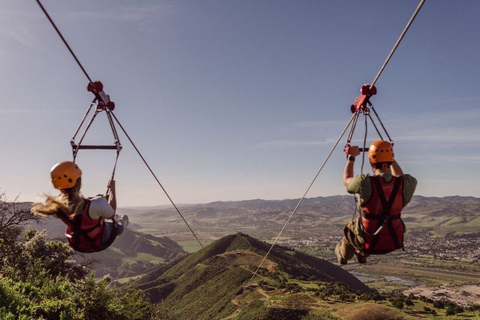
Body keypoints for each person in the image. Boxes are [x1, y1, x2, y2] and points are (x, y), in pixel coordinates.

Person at [335, 140, 417, 264]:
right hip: (393, 239)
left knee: (349, 230)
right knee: (369, 229)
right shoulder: (407, 184)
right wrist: (389, 156)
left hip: (368, 239)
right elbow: (400, 177)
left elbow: (347, 180)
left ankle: (343, 256)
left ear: (371, 163)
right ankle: (362, 254)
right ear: (390, 161)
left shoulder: (365, 183)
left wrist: (351, 157)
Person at [31, 161, 129, 253]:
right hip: (98, 241)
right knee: (118, 227)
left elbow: (73, 204)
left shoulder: (57, 207)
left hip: (76, 243)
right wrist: (112, 189)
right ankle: (122, 221)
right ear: (79, 181)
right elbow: (111, 213)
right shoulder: (97, 204)